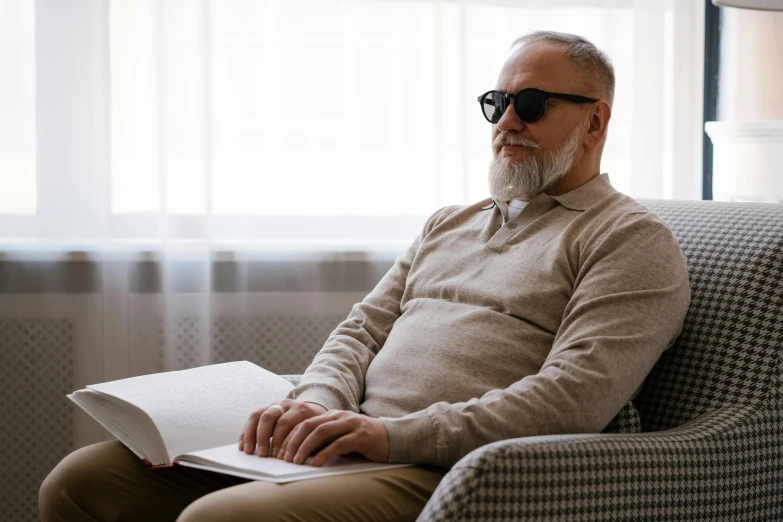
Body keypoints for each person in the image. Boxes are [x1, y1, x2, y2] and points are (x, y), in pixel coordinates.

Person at [39, 30, 691, 522]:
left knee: (221, 519)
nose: (506, 121)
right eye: (497, 101)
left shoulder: (628, 240)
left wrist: (387, 437)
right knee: (79, 480)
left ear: (596, 119)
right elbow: (360, 331)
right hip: (347, 446)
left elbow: (573, 399)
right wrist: (317, 404)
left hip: (445, 466)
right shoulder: (450, 221)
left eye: (531, 103)